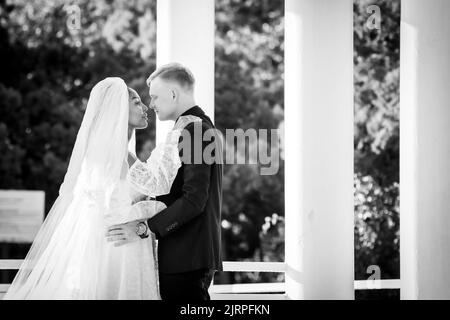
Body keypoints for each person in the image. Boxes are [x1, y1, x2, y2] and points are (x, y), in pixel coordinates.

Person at [4, 77, 180, 299]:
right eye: (136, 102)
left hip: (115, 247)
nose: (145, 107)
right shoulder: (117, 155)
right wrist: (174, 141)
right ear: (118, 110)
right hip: (117, 252)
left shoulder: (108, 152)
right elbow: (158, 184)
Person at [107, 63, 223, 301]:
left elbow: (194, 199)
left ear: (173, 94)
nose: (151, 105)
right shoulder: (191, 128)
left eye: (155, 97)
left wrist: (143, 228)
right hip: (183, 255)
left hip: (188, 256)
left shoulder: (197, 130)